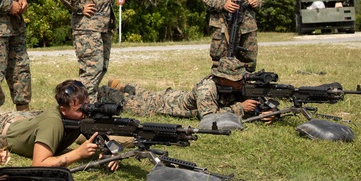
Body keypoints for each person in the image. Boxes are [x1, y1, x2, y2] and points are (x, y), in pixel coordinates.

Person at [106, 58, 259, 119]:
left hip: (175, 96)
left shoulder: (231, 85)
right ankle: (105, 92)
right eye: (237, 78)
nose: (241, 80)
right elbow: (208, 116)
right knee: (128, 103)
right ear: (224, 78)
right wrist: (240, 108)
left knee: (147, 94)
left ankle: (124, 86)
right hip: (166, 105)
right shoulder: (207, 89)